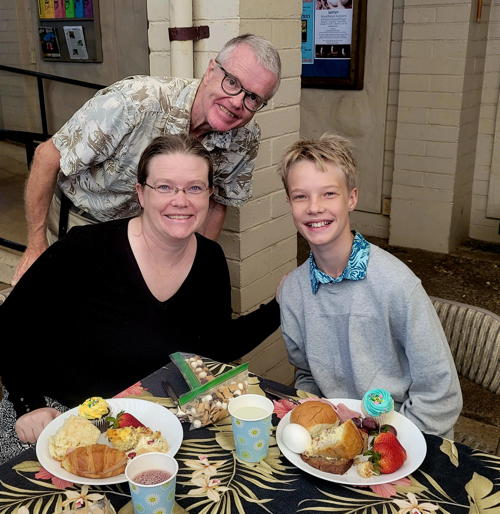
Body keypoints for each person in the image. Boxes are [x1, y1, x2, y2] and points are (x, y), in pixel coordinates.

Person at [0, 134, 280, 463]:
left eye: (194, 187)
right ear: (141, 193)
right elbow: (10, 325)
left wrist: (281, 307)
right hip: (58, 414)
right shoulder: (86, 249)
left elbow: (215, 344)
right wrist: (29, 405)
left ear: (208, 195)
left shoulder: (210, 260)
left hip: (146, 425)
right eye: (164, 187)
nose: (181, 200)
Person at [12, 34, 281, 285]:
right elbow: (47, 156)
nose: (236, 102)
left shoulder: (244, 138)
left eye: (253, 98)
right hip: (80, 223)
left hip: (149, 237)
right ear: (211, 70)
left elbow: (216, 203)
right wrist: (36, 244)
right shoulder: (135, 101)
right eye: (232, 82)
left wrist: (193, 262)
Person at [277, 134, 462, 438]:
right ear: (289, 204)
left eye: (328, 194)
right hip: (337, 435)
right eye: (300, 196)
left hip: (406, 435)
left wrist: (392, 444)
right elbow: (307, 373)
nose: (314, 207)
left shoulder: (396, 284)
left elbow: (440, 394)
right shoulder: (293, 291)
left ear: (351, 198)